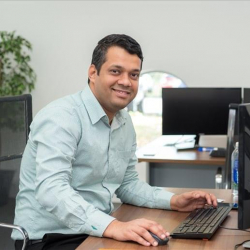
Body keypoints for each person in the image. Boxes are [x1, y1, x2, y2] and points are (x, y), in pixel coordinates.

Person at [12, 34, 217, 250]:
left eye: (134, 74)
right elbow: (51, 190)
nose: (126, 82)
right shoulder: (61, 117)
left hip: (95, 230)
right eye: (115, 71)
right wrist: (113, 226)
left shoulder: (123, 120)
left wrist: (173, 201)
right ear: (93, 73)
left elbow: (127, 184)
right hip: (49, 239)